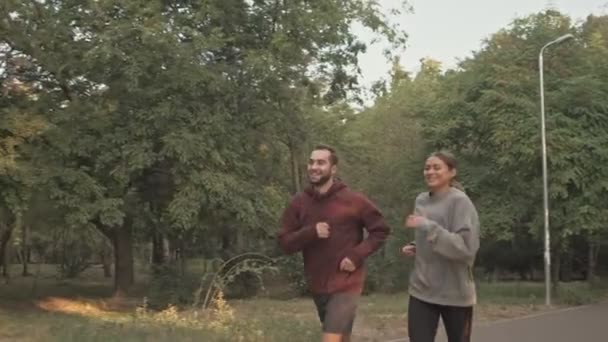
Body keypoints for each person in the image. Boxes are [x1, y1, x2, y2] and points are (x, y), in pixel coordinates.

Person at [278, 144, 390, 342]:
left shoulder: (353, 200)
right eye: (311, 162)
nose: (314, 167)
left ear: (333, 169)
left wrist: (356, 255)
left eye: (321, 162)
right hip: (318, 284)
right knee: (340, 338)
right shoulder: (299, 202)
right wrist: (310, 232)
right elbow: (284, 242)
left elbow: (380, 231)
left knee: (330, 338)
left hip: (347, 283)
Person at [401, 151, 480, 342]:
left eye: (437, 167)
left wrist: (428, 226)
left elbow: (465, 248)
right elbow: (430, 238)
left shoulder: (460, 202)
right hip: (422, 289)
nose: (430, 172)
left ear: (452, 172)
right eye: (427, 168)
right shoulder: (421, 200)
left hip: (455, 292)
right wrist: (416, 246)